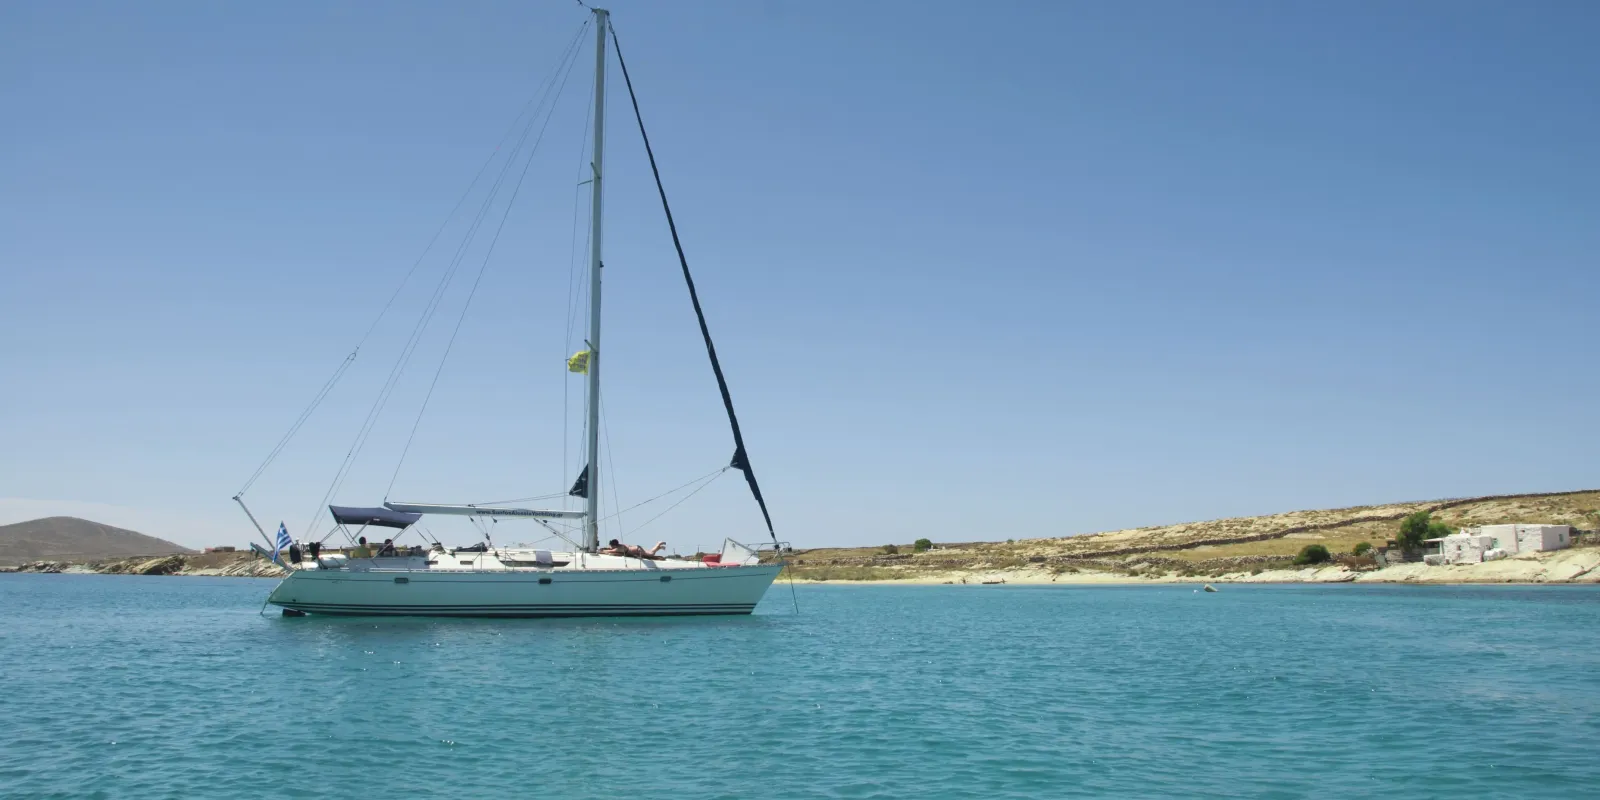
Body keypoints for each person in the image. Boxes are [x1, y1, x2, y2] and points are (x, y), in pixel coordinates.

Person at [600, 539, 668, 559]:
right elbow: (610, 548)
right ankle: (659, 547)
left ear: (614, 545)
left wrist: (600, 551)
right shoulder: (620, 545)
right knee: (650, 552)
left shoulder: (618, 549)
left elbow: (609, 551)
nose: (611, 547)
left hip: (637, 550)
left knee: (651, 554)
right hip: (637, 548)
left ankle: (659, 543)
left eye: (611, 546)